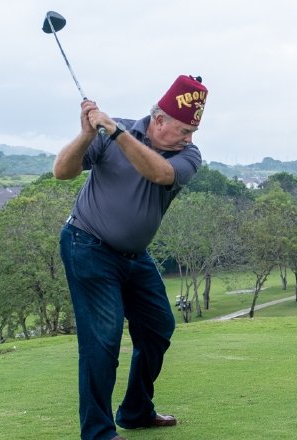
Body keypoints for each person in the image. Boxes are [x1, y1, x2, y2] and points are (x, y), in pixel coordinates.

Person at [55, 75, 207, 440]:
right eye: (184, 129)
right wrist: (88, 136)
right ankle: (98, 432)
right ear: (159, 120)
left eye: (193, 131)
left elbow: (159, 173)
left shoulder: (189, 156)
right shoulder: (109, 133)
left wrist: (114, 132)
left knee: (158, 329)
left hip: (135, 256)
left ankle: (137, 411)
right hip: (87, 244)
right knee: (102, 341)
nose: (190, 138)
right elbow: (62, 172)